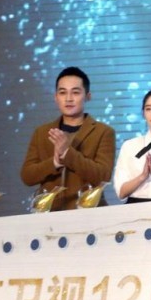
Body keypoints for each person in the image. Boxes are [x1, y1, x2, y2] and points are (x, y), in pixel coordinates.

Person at [20, 67, 116, 211]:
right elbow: (27, 176)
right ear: (56, 97)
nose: (68, 98)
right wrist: (55, 162)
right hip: (50, 214)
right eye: (62, 92)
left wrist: (67, 153)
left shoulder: (104, 132)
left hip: (89, 213)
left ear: (88, 96)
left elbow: (103, 176)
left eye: (75, 92)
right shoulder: (42, 132)